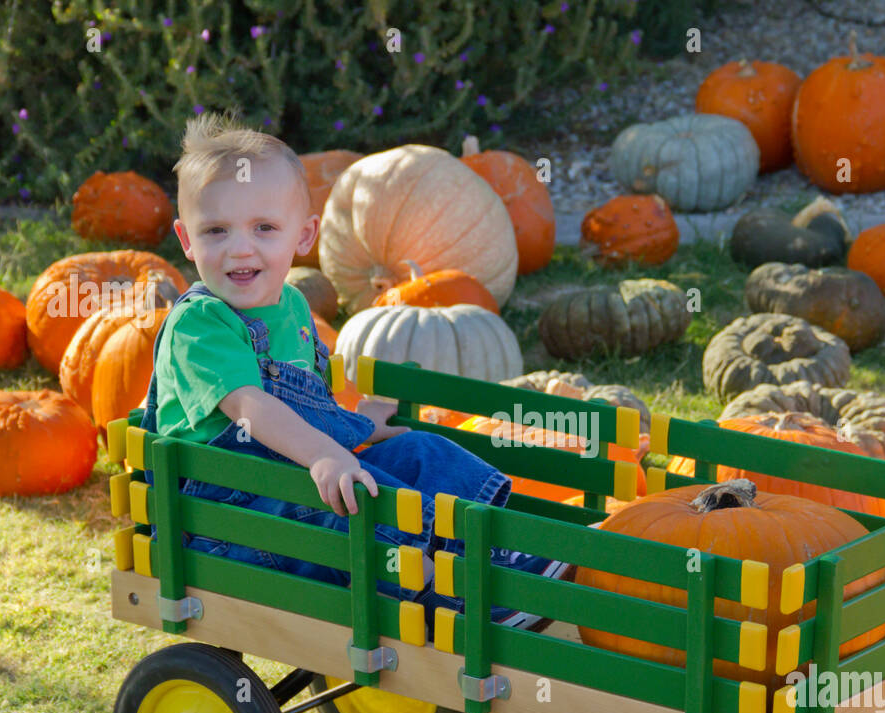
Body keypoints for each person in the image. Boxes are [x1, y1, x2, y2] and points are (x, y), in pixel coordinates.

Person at [139, 112, 566, 628]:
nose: (241, 248)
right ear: (186, 240)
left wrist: (352, 426)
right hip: (229, 520)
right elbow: (251, 407)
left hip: (287, 484)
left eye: (264, 228)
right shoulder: (200, 325)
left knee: (416, 451)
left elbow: (302, 405)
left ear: (304, 236)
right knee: (355, 497)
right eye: (216, 231)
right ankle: (439, 590)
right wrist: (324, 454)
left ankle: (495, 548)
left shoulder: (293, 308)